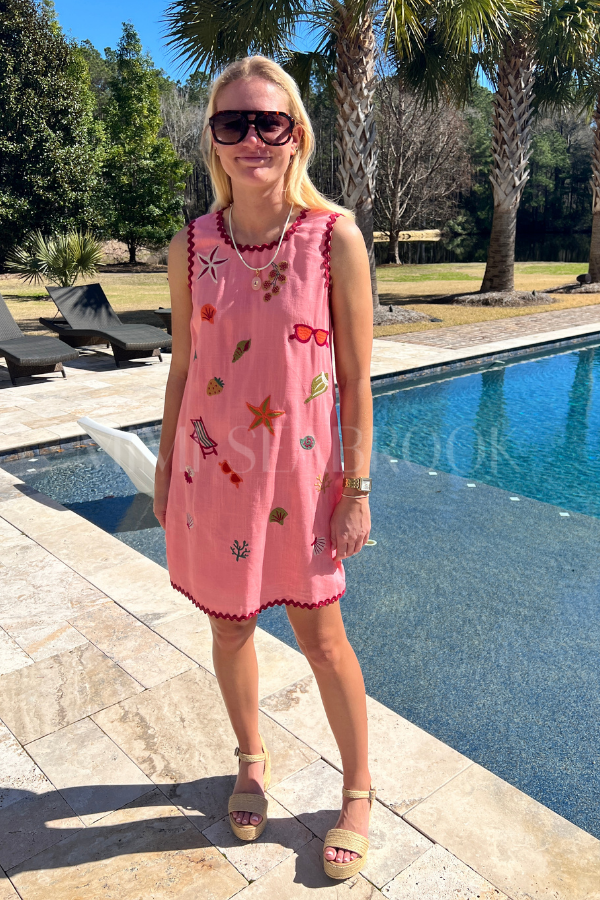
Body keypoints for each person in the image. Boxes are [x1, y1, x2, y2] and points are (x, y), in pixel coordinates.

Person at [154, 55, 374, 880]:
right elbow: (183, 368)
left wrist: (356, 488)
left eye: (268, 122)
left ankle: (357, 791)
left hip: (303, 481)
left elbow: (356, 379)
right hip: (211, 476)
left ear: (296, 136)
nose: (251, 138)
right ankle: (250, 760)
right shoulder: (192, 245)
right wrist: (165, 466)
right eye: (232, 122)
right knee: (229, 626)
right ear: (213, 140)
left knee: (322, 636)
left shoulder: (332, 237)